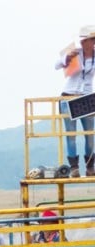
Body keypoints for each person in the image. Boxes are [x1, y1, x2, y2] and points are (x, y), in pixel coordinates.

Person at [55, 26, 95, 177]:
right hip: (69, 95)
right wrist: (66, 58)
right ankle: (74, 167)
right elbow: (56, 65)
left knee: (90, 134)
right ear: (84, 41)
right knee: (71, 135)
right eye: (91, 40)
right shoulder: (75, 54)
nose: (93, 43)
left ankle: (90, 165)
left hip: (87, 97)